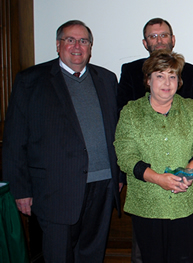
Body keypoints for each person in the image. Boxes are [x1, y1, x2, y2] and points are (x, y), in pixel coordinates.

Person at [3, 20, 122, 262]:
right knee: (58, 256)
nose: (77, 46)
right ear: (58, 45)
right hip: (55, 190)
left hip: (102, 186)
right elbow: (14, 140)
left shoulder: (107, 79)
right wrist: (21, 190)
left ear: (90, 46)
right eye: (70, 40)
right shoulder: (31, 80)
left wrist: (119, 176)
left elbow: (117, 132)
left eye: (84, 41)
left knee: (92, 254)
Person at [114, 49, 193, 262]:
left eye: (172, 76)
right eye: (160, 75)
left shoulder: (191, 108)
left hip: (185, 200)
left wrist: (189, 171)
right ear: (148, 80)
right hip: (147, 202)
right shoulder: (131, 112)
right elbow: (125, 155)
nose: (167, 82)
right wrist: (158, 178)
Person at [118, 18, 193, 113]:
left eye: (164, 35)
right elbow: (122, 111)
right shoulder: (131, 71)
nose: (159, 40)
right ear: (145, 43)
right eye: (153, 36)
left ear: (173, 40)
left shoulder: (190, 72)